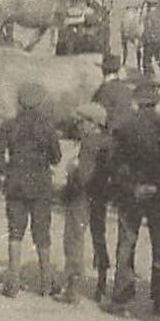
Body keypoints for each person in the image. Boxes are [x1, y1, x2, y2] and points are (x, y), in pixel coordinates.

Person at [108, 82, 160, 313]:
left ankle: (121, 295)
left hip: (132, 194)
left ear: (137, 102)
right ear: (156, 103)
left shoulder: (124, 128)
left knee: (126, 242)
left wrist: (131, 187)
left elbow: (115, 165)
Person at [0, 82, 62, 297]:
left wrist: (9, 169)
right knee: (42, 231)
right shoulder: (47, 126)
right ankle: (46, 281)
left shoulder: (9, 125)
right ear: (40, 102)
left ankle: (12, 280)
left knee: (15, 230)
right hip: (40, 183)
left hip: (16, 182)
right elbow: (56, 157)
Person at [59, 101, 112, 305]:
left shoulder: (89, 143)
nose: (78, 127)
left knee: (74, 238)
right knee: (99, 237)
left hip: (82, 197)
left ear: (92, 123)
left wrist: (72, 171)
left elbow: (83, 175)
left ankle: (73, 287)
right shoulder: (108, 141)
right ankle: (102, 283)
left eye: (80, 123)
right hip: (101, 196)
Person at [92, 53, 137, 130]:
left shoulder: (104, 89)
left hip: (112, 130)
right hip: (130, 128)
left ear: (103, 70)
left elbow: (96, 111)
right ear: (117, 70)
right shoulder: (126, 88)